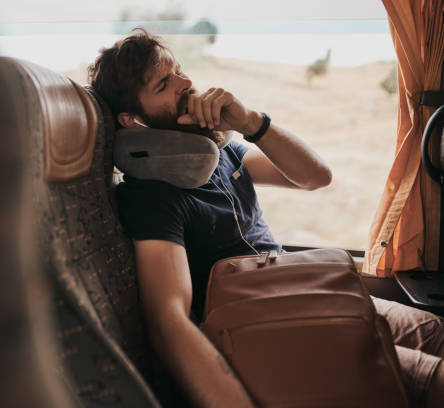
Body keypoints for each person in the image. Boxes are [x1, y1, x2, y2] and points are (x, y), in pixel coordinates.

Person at [89, 29, 444, 408]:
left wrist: (251, 122)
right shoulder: (152, 195)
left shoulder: (217, 151)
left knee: (435, 331)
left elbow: (315, 177)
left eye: (179, 70)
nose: (187, 83)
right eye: (164, 83)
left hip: (305, 291)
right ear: (132, 119)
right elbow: (168, 321)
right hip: (268, 321)